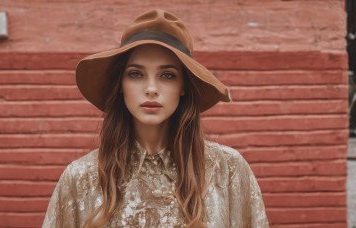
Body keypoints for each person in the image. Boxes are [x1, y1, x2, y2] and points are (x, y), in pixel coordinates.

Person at [42, 9, 269, 228]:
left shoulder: (227, 170)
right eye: (136, 74)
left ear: (183, 86)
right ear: (121, 84)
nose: (151, 88)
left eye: (167, 75)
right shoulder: (81, 177)